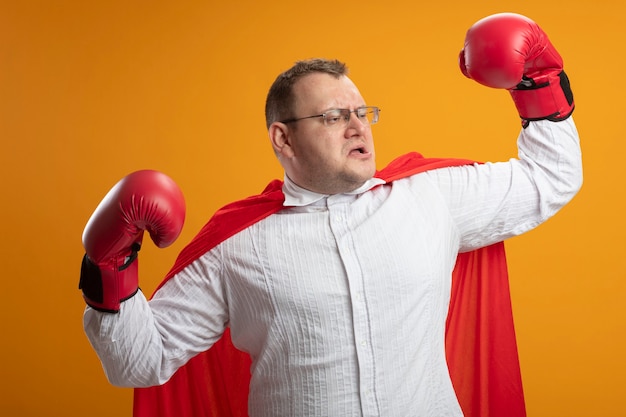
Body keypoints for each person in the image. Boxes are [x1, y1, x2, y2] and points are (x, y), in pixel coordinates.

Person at [80, 13, 582, 417]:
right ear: (284, 138)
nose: (357, 127)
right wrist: (110, 267)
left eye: (363, 113)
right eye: (334, 116)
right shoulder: (235, 245)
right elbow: (140, 361)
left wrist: (540, 80)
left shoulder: (433, 195)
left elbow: (551, 179)